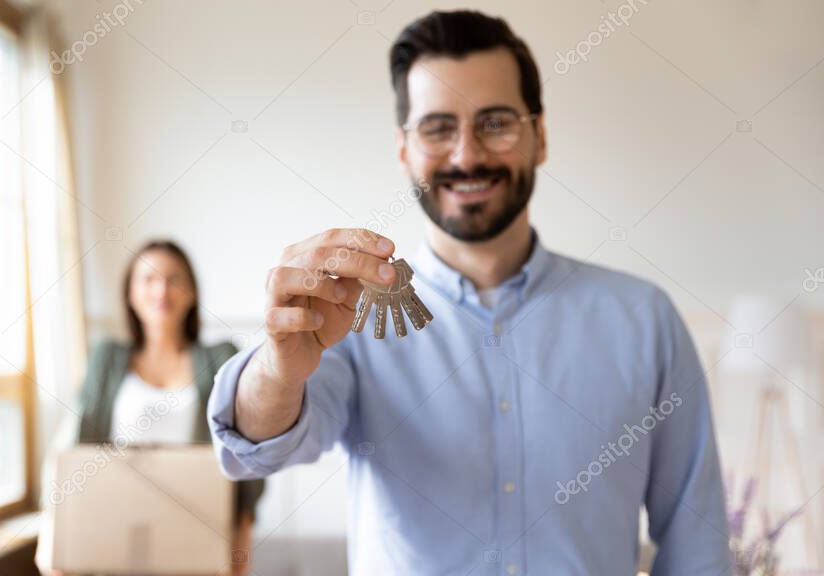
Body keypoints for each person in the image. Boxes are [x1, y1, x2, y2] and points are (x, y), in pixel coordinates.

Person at [207, 10, 731, 575]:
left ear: (540, 136)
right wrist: (278, 369)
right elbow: (258, 448)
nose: (466, 155)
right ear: (405, 149)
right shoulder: (351, 316)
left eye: (496, 122)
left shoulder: (643, 319)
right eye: (438, 128)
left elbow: (696, 541)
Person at [37, 239, 263, 576]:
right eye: (149, 279)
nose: (162, 290)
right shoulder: (107, 359)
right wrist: (52, 533)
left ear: (192, 293)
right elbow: (71, 446)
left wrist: (241, 544)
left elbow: (244, 454)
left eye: (174, 279)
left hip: (194, 537)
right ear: (130, 294)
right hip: (111, 534)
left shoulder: (219, 358)